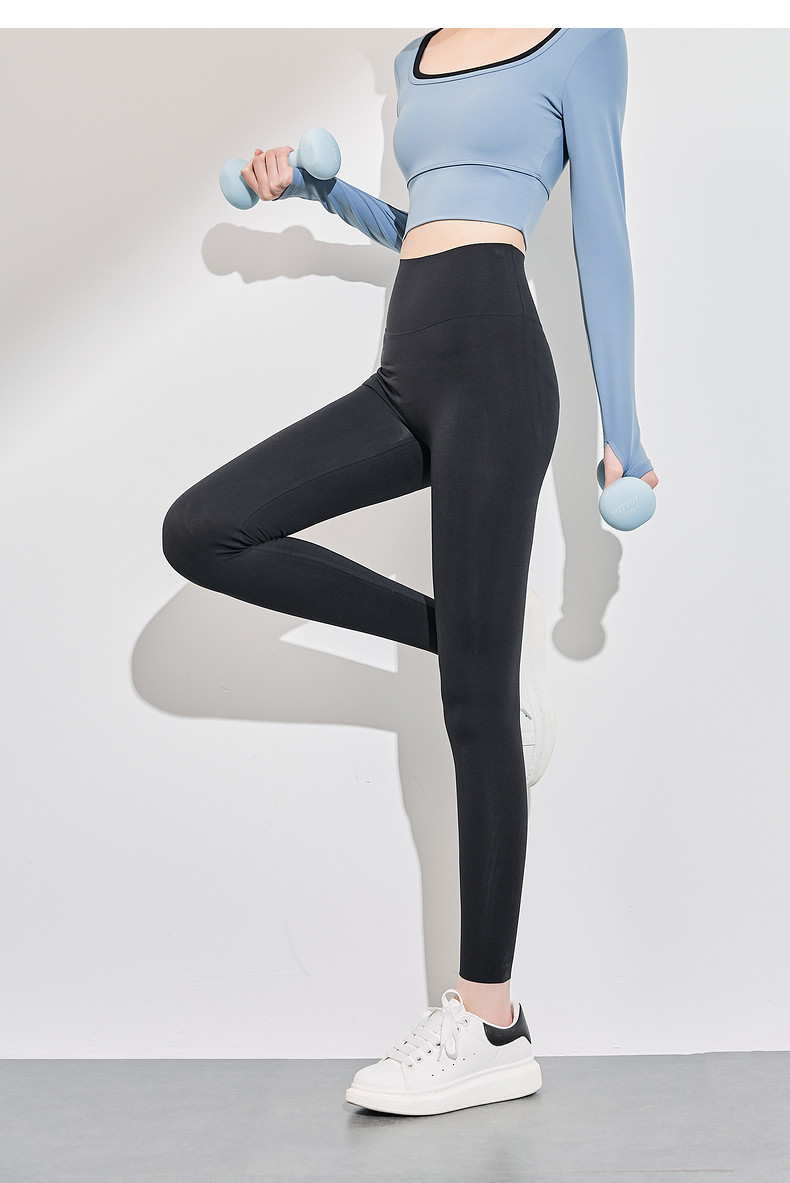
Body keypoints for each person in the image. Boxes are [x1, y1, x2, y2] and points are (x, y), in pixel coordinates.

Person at [162, 27, 659, 1117]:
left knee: (471, 712)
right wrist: (321, 192)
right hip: (406, 369)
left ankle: (492, 1021)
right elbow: (420, 226)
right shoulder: (414, 58)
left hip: (499, 369)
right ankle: (468, 636)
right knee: (204, 528)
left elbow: (603, 233)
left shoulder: (581, 40)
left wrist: (623, 435)